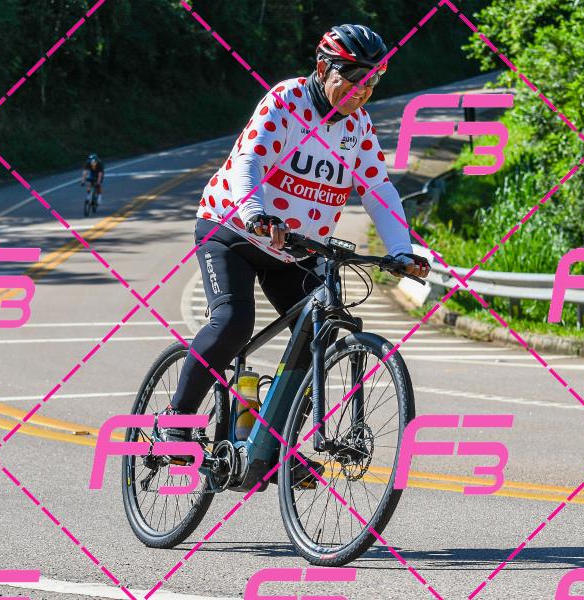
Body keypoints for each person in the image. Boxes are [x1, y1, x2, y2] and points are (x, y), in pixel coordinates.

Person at [159, 25, 430, 485]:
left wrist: (401, 250)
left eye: (373, 81)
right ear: (323, 68)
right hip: (233, 229)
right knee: (233, 323)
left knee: (318, 335)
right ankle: (176, 421)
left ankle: (273, 445)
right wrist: (254, 214)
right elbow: (249, 160)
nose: (362, 90)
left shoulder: (358, 128)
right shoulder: (286, 101)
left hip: (294, 248)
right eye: (354, 78)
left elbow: (378, 189)